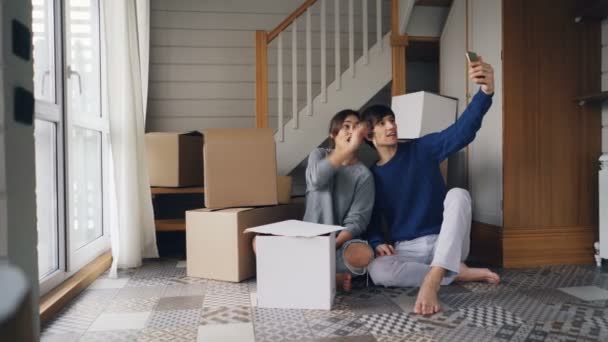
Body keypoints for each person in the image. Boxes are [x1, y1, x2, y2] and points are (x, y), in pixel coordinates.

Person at [361, 57, 500, 315]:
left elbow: (462, 131)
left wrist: (486, 92)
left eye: (392, 120)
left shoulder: (422, 148)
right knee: (377, 270)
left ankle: (434, 279)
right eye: (382, 123)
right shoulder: (371, 176)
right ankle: (454, 273)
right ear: (370, 136)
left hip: (447, 241)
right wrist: (377, 240)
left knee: (458, 194)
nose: (391, 126)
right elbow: (370, 219)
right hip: (407, 249)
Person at [303, 109, 376, 292]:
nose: (352, 131)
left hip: (338, 245)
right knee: (259, 243)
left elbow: (357, 221)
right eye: (346, 126)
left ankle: (313, 269)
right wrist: (344, 151)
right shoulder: (318, 155)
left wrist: (329, 246)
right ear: (333, 135)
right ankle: (330, 273)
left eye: (356, 127)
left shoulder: (364, 175)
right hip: (308, 240)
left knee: (363, 255)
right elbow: (315, 180)